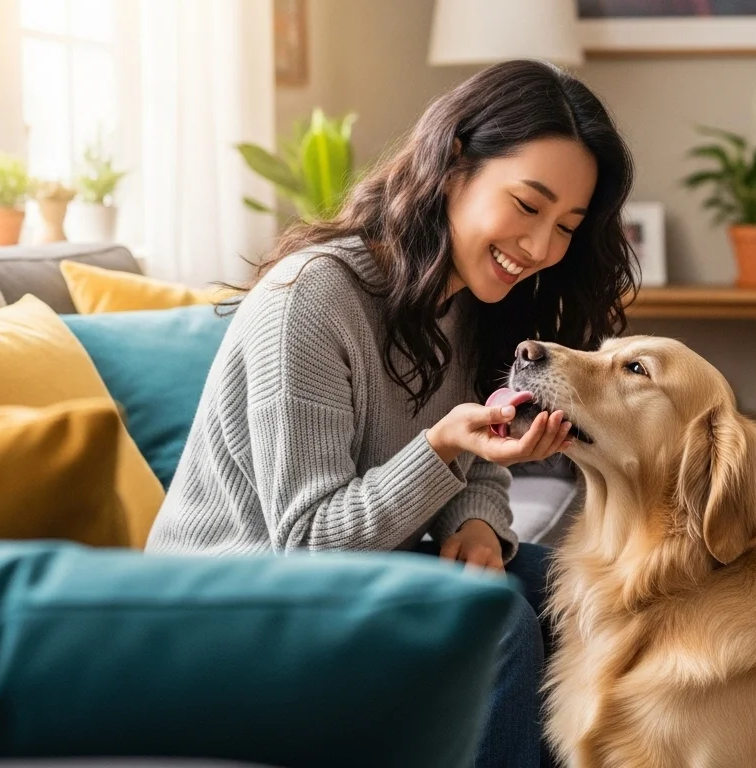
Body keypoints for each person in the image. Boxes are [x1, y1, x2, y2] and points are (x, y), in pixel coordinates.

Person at [145, 59, 636, 767]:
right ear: (454, 163)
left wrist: (475, 522)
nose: (540, 249)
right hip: (229, 608)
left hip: (360, 570)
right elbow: (309, 547)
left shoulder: (470, 301)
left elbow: (475, 460)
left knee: (574, 592)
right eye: (528, 206)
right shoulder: (310, 301)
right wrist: (439, 449)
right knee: (493, 623)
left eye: (566, 226)